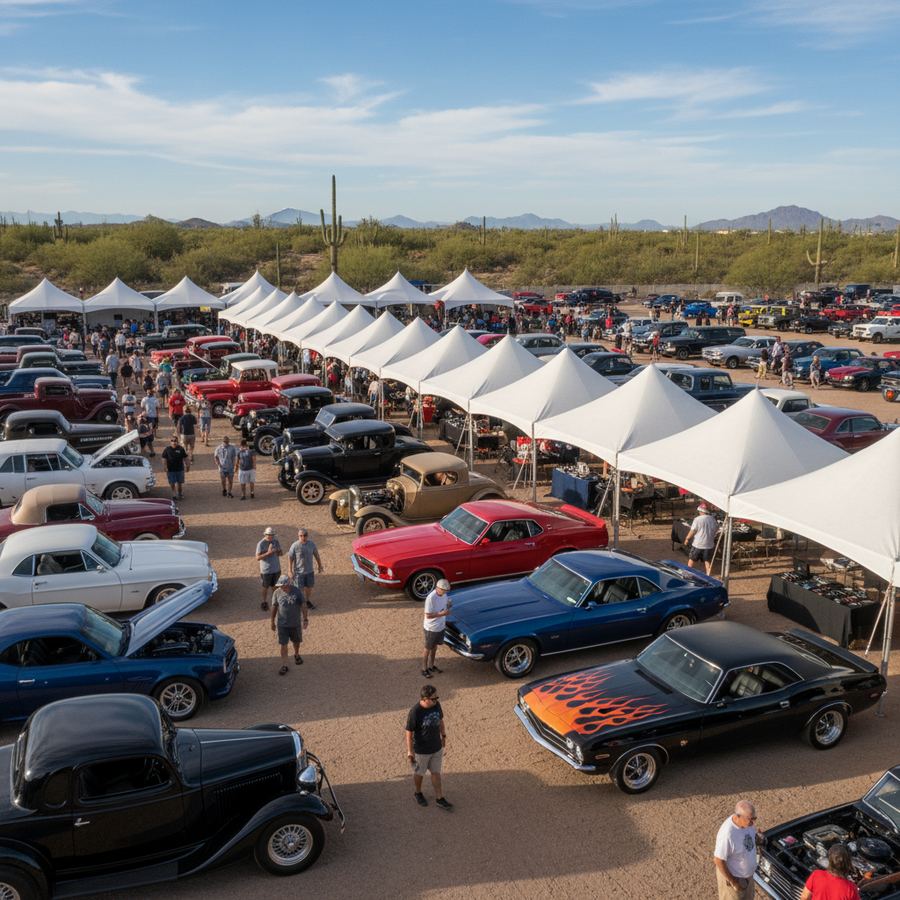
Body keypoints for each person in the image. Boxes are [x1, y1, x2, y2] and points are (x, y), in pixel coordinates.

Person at [405, 684, 451, 810]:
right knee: (419, 773)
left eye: (437, 698)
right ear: (424, 699)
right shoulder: (415, 712)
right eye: (433, 698)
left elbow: (440, 720)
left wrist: (444, 736)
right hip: (421, 751)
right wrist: (410, 752)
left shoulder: (436, 705)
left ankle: (439, 798)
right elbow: (409, 733)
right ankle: (418, 793)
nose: (436, 700)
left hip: (436, 747)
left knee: (436, 772)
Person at [714, 800, 761, 900]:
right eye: (750, 819)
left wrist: (758, 838)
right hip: (733, 880)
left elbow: (748, 840)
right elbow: (718, 860)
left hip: (748, 877)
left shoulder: (748, 824)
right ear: (738, 816)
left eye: (754, 818)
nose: (753, 822)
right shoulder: (727, 834)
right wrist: (733, 882)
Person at [270, 574, 308, 675]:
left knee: (296, 641)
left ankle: (296, 654)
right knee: (283, 644)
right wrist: (272, 621)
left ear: (289, 584)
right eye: (281, 586)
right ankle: (285, 665)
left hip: (295, 624)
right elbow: (274, 607)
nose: (282, 588)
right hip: (282, 625)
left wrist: (305, 619)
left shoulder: (297, 591)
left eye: (284, 586)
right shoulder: (276, 593)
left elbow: (303, 605)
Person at [287, 528, 324, 610]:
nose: (303, 537)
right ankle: (299, 602)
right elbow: (290, 557)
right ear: (298, 536)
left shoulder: (311, 544)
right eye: (301, 536)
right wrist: (290, 570)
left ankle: (307, 601)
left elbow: (316, 555)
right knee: (298, 589)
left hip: (309, 571)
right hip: (298, 573)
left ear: (307, 536)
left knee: (309, 587)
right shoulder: (295, 545)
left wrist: (319, 565)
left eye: (304, 535)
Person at [422, 578, 451, 678]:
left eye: (446, 591)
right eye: (444, 590)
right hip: (431, 628)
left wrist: (448, 605)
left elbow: (444, 604)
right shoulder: (431, 598)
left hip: (440, 626)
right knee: (428, 648)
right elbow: (428, 615)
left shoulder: (444, 595)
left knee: (434, 648)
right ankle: (424, 668)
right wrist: (441, 614)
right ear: (438, 588)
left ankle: (431, 666)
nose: (445, 592)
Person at [685, 502, 718, 576]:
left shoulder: (697, 519)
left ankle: (687, 573)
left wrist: (687, 538)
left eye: (699, 511)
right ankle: (708, 575)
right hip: (709, 544)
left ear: (701, 511)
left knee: (691, 559)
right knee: (707, 561)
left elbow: (692, 531)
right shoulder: (712, 519)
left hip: (698, 544)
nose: (699, 512)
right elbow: (716, 529)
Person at [256, 526, 283, 611]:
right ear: (265, 534)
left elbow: (281, 553)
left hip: (276, 569)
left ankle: (275, 601)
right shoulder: (261, 544)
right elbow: (257, 558)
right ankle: (264, 602)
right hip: (266, 570)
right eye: (269, 535)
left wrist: (278, 551)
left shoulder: (276, 541)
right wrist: (268, 553)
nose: (270, 536)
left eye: (272, 535)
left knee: (276, 586)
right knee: (265, 587)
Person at [161, 435, 187, 500]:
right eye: (172, 441)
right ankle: (174, 494)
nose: (173, 442)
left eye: (175, 441)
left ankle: (180, 494)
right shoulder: (167, 449)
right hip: (170, 470)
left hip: (180, 469)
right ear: (170, 442)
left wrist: (188, 465)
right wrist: (165, 466)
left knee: (179, 483)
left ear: (177, 442)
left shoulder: (181, 449)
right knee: (172, 483)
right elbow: (164, 458)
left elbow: (185, 457)